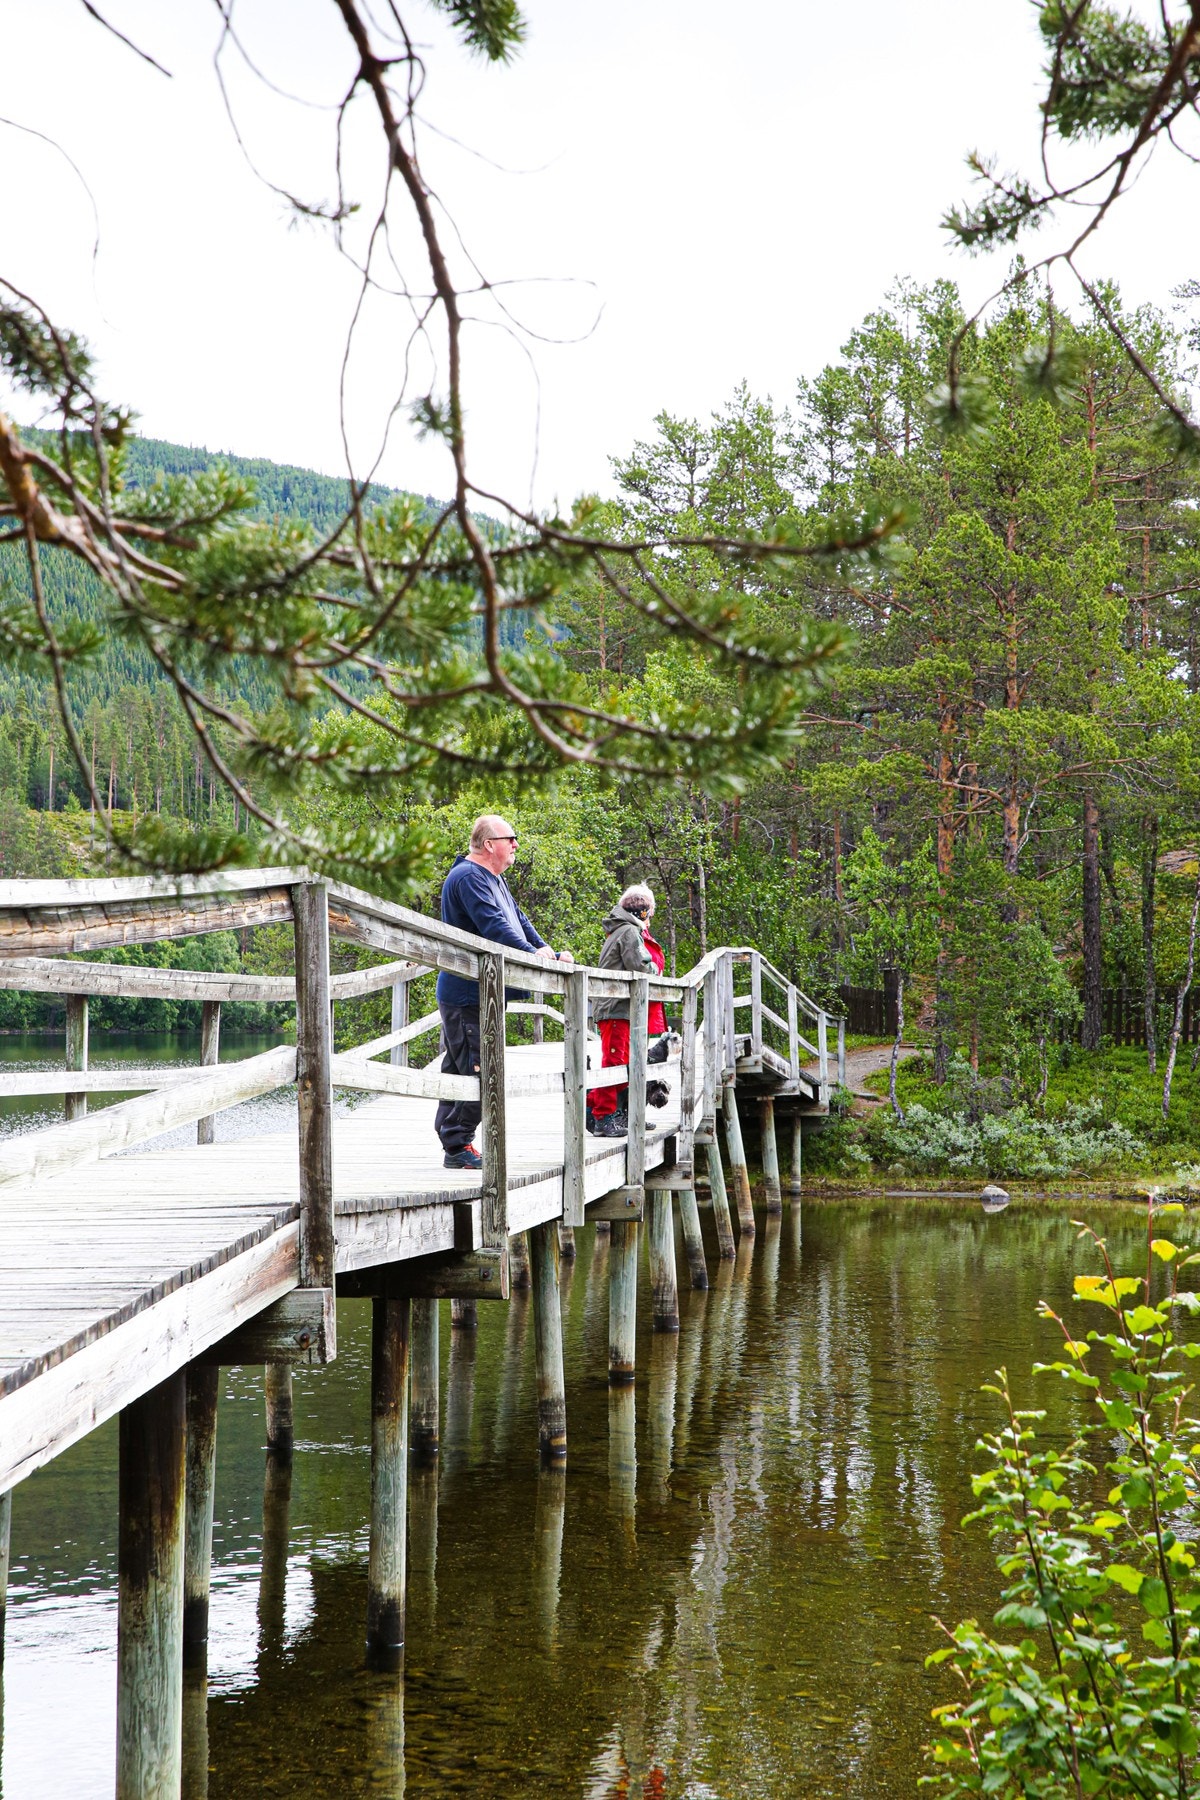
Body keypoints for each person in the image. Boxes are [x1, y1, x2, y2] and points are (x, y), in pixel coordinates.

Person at [435, 813, 573, 1168]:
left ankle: (455, 1140)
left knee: (462, 1067)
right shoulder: (468, 876)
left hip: (481, 993)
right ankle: (458, 1146)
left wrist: (547, 952)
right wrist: (533, 957)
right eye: (510, 838)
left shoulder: (492, 878)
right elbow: (493, 926)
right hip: (468, 993)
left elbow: (519, 920)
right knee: (479, 1069)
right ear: (488, 845)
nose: (515, 845)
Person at [587, 883, 669, 1137]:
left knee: (628, 1061)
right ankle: (601, 1116)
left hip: (624, 1009)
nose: (651, 918)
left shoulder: (624, 930)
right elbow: (642, 967)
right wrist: (659, 973)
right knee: (615, 1062)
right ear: (643, 911)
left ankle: (622, 1114)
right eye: (650, 912)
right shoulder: (629, 933)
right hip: (616, 1009)